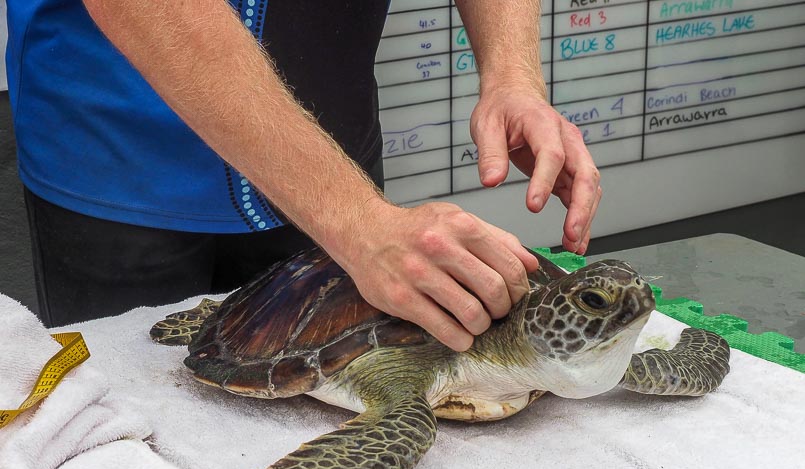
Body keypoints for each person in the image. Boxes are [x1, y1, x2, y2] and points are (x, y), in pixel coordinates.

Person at [6, 0, 601, 352]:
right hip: (117, 151)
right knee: (135, 437)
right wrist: (359, 224)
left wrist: (512, 74)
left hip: (333, 136)